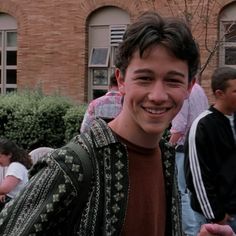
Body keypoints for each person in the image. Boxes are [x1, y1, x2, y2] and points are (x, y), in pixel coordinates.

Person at [0, 11, 229, 236]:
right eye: (145, 78)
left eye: (172, 80)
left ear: (190, 87)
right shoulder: (73, 165)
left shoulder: (166, 158)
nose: (158, 95)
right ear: (121, 80)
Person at [185, 66, 236, 233]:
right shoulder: (203, 126)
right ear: (220, 93)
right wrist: (216, 214)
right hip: (219, 216)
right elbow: (198, 176)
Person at [169, 81, 209, 235]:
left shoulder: (182, 92)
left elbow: (179, 126)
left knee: (181, 191)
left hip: (183, 149)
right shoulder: (199, 89)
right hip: (199, 146)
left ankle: (191, 231)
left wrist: (168, 147)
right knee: (195, 190)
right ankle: (201, 228)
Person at [0, 138, 32, 211]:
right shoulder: (16, 165)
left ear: (9, 155)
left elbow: (5, 189)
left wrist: (3, 193)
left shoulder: (15, 166)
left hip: (15, 205)